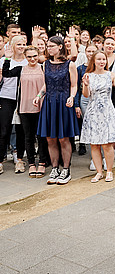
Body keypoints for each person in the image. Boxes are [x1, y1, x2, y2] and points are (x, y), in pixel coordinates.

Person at [34, 36, 79, 185]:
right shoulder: (45, 64)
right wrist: (39, 96)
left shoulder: (69, 64)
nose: (49, 48)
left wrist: (72, 97)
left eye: (51, 46)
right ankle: (55, 168)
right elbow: (46, 85)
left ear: (60, 47)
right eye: (48, 46)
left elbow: (74, 85)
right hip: (49, 103)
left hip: (64, 103)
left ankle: (66, 169)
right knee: (50, 138)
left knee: (63, 138)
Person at [81, 51, 115, 183]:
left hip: (107, 111)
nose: (102, 61)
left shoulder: (110, 75)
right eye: (99, 59)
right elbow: (86, 95)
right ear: (94, 61)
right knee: (94, 144)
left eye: (103, 59)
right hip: (93, 112)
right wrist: (86, 85)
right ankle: (99, 172)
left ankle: (109, 170)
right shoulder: (88, 76)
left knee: (107, 144)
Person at [1, 46, 47, 177]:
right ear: (25, 57)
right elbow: (6, 73)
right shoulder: (21, 69)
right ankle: (31, 163)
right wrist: (8, 58)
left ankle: (42, 163)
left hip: (41, 106)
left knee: (41, 136)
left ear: (38, 55)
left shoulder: (44, 68)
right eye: (29, 57)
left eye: (34, 56)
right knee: (28, 136)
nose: (32, 59)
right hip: (24, 107)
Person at [0, 35, 27, 174]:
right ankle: (0, 161)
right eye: (19, 44)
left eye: (23, 44)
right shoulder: (4, 60)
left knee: (21, 130)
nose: (21, 47)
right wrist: (7, 58)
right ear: (13, 45)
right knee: (4, 130)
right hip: (6, 97)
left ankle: (20, 160)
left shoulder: (29, 61)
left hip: (23, 99)